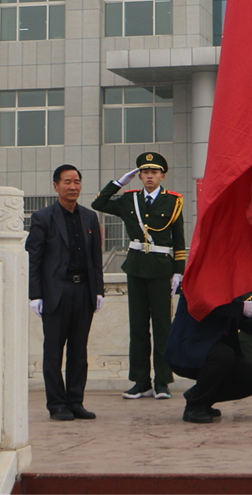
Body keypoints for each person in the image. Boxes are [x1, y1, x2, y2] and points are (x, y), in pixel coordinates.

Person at [91, 151, 185, 400]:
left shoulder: (173, 201)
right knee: (138, 327)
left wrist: (179, 272)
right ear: (139, 176)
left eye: (154, 172)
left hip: (162, 269)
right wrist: (119, 183)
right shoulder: (128, 199)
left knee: (163, 326)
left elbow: (179, 241)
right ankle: (141, 381)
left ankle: (163, 381)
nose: (149, 176)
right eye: (145, 172)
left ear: (162, 175)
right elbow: (98, 204)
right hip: (136, 268)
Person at [26, 164, 105, 420]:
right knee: (53, 352)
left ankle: (75, 401)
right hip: (55, 293)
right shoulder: (43, 217)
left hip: (83, 291)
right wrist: (35, 294)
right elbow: (34, 259)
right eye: (67, 182)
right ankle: (57, 404)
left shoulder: (89, 217)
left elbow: (95, 259)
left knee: (79, 351)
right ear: (56, 186)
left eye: (77, 182)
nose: (73, 187)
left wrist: (98, 290)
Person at [164, 291, 252, 423]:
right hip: (189, 351)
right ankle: (194, 406)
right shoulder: (198, 278)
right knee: (223, 355)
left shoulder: (231, 284)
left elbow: (238, 319)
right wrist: (239, 308)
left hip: (217, 354)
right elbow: (206, 304)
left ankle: (201, 398)